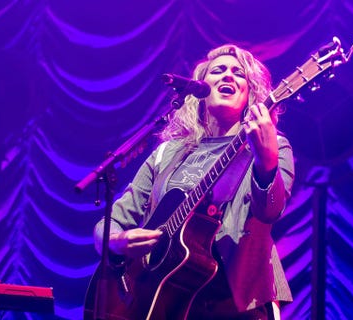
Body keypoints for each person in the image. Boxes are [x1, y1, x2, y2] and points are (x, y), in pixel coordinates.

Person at [94, 44, 295, 319]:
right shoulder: (166, 153)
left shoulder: (270, 147)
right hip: (165, 300)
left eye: (239, 73)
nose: (228, 76)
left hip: (237, 304)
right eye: (218, 70)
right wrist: (116, 242)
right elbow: (111, 222)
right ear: (199, 88)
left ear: (250, 95)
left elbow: (270, 211)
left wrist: (266, 161)